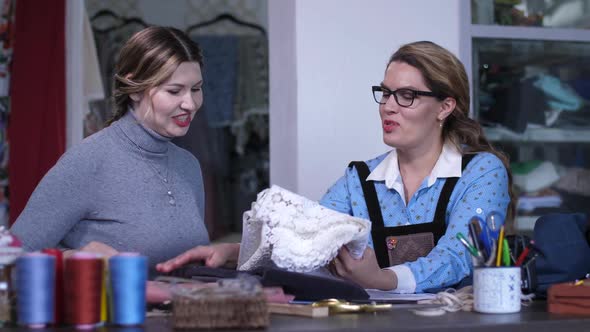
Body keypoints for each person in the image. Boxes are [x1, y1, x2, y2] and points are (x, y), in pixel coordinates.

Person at [157, 41, 514, 293]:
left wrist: (381, 279)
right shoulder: (359, 180)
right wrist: (234, 253)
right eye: (385, 93)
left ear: (444, 107)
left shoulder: (481, 172)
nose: (388, 107)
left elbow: (460, 256)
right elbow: (307, 238)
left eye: (406, 96)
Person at [10, 26, 236, 274]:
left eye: (196, 89)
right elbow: (12, 256)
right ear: (136, 88)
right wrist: (72, 258)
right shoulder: (88, 162)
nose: (190, 104)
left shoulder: (188, 165)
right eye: (174, 91)